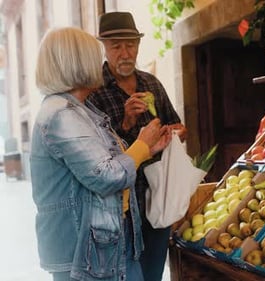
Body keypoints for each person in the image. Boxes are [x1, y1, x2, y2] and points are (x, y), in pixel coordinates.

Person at [31, 27, 172, 281]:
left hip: (106, 245)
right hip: (84, 256)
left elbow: (106, 161)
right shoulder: (61, 114)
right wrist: (141, 144)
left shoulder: (78, 109)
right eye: (94, 55)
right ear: (77, 63)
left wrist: (148, 149)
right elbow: (105, 176)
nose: (100, 63)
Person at [88, 12, 187, 281]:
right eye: (116, 46)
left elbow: (178, 127)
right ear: (104, 48)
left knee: (153, 273)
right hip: (119, 208)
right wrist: (127, 123)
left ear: (138, 45)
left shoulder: (151, 83)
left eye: (130, 44)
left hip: (157, 198)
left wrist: (174, 132)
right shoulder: (93, 91)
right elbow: (95, 158)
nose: (124, 52)